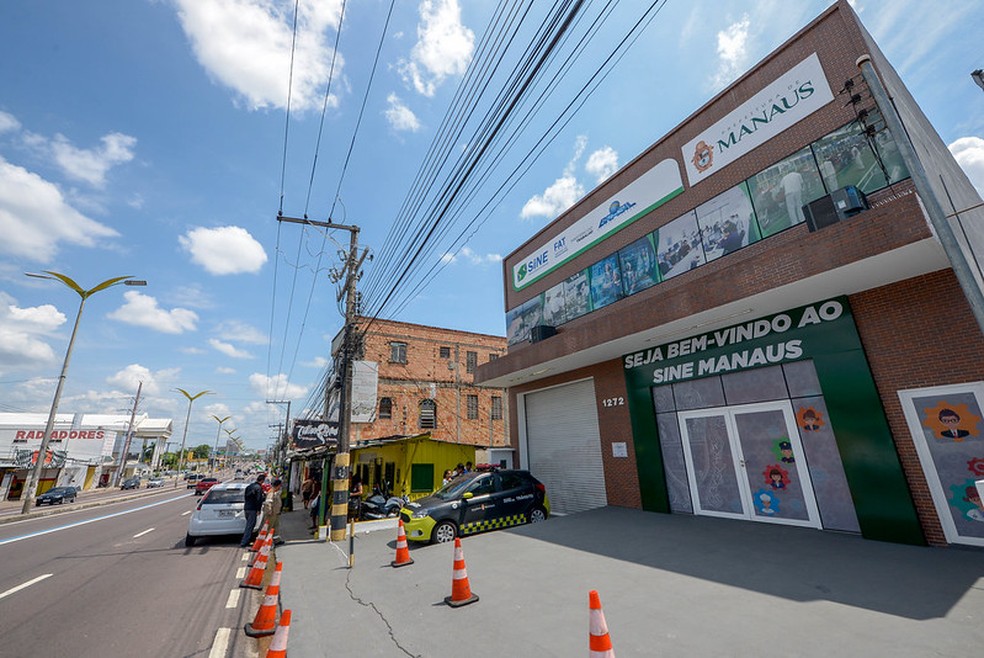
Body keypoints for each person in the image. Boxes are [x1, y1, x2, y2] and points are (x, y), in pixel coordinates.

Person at [240, 473, 266, 548]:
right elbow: (259, 499)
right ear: (262, 481)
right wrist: (258, 509)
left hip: (247, 508)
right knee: (250, 525)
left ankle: (248, 540)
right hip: (252, 509)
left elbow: (246, 497)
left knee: (250, 525)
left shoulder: (249, 487)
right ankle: (244, 542)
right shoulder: (258, 488)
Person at [263, 478, 284, 545]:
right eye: (280, 486)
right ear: (278, 485)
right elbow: (268, 502)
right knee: (269, 527)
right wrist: (269, 511)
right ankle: (267, 542)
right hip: (272, 513)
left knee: (276, 527)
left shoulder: (275, 492)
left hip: (276, 513)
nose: (280, 487)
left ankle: (276, 540)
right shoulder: (271, 492)